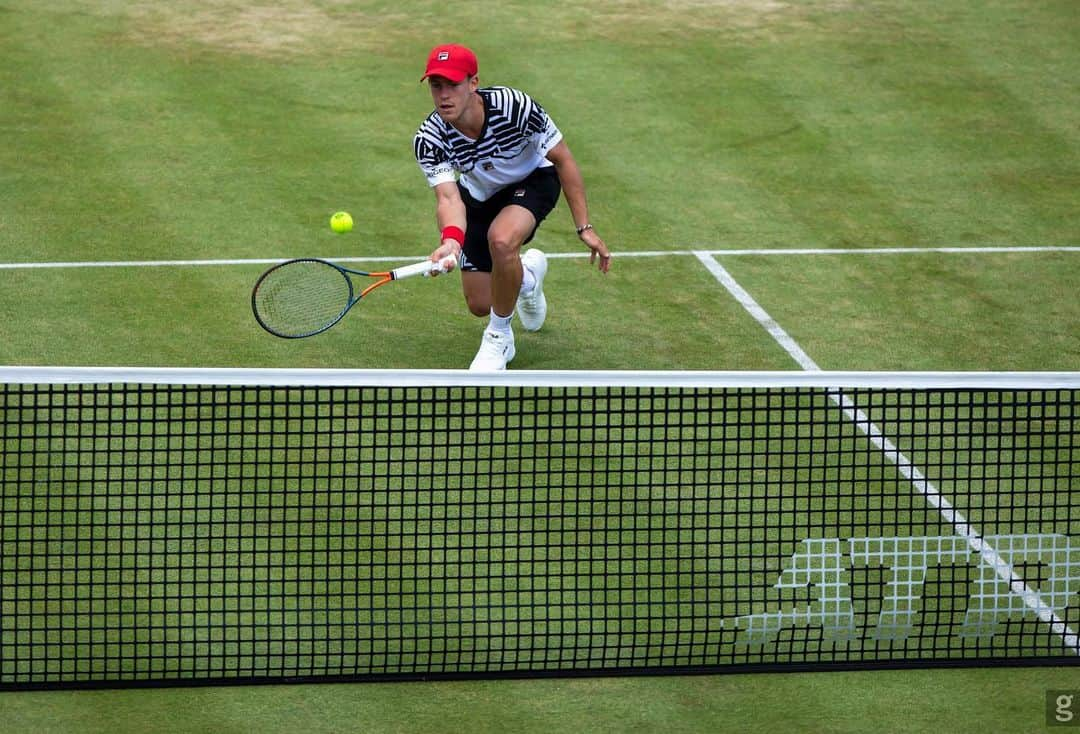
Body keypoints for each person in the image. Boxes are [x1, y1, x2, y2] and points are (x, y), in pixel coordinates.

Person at [413, 43, 611, 370]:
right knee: (481, 302)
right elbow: (449, 197)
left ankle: (499, 340)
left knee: (502, 240)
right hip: (478, 195)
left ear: (473, 83)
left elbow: (562, 158)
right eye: (436, 86)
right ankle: (529, 277)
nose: (444, 95)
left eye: (453, 85)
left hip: (533, 179)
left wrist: (584, 226)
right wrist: (451, 240)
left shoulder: (513, 106)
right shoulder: (430, 137)